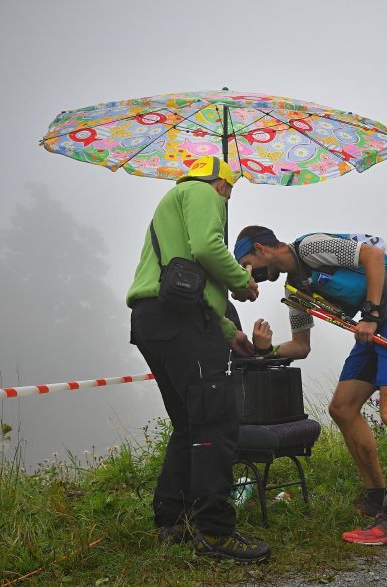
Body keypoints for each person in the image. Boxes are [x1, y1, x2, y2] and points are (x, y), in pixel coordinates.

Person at [233, 227, 387, 545]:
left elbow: (373, 256)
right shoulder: (295, 291)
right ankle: (378, 496)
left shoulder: (309, 247)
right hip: (371, 329)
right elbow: (301, 346)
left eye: (246, 263)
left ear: (261, 248)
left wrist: (372, 313)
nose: (248, 272)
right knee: (342, 408)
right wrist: (265, 350)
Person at [126, 156, 270, 562]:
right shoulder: (205, 192)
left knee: (189, 423)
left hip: (154, 320)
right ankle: (215, 533)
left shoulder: (173, 199)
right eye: (230, 190)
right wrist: (243, 282)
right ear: (222, 184)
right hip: (181, 322)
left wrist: (229, 334)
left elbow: (189, 285)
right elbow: (206, 248)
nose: (226, 198)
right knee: (216, 422)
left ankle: (171, 521)